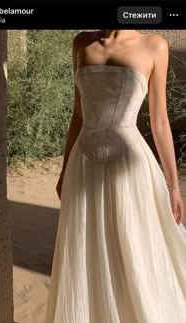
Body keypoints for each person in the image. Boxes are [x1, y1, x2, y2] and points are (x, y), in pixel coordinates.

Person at [45, 30, 186, 323]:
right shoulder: (81, 43)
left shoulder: (154, 46)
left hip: (130, 168)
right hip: (83, 166)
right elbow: (79, 115)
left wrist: (173, 185)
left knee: (133, 250)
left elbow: (160, 121)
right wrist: (63, 170)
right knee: (86, 254)